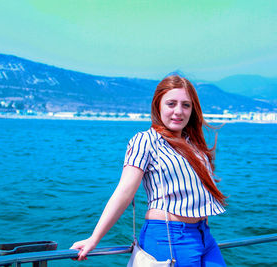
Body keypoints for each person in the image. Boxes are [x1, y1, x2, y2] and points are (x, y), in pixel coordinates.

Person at [70, 74, 227, 266]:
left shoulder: (193, 145)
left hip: (204, 235)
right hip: (169, 236)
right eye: (171, 104)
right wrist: (94, 238)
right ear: (158, 105)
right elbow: (125, 191)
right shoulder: (145, 141)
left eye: (186, 105)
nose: (179, 111)